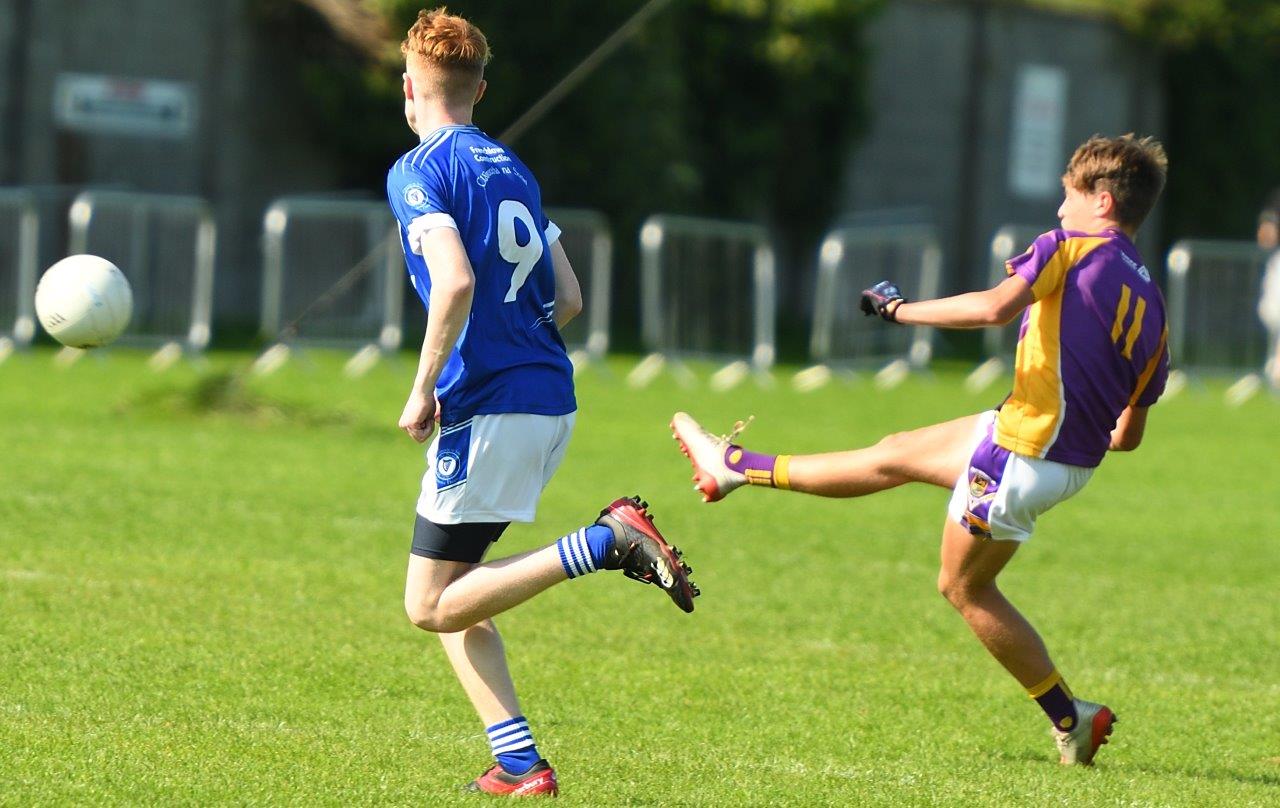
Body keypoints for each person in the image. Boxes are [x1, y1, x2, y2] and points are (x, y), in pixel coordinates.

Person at [672, 134, 1170, 766]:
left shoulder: (1070, 248)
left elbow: (994, 308)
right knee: (895, 452)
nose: (1058, 209)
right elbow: (1127, 436)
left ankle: (1072, 718)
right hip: (1050, 454)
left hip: (1021, 452)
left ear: (1102, 201)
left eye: (1068, 196)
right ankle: (735, 467)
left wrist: (899, 311)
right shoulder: (1154, 305)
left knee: (964, 590)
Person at [386, 8, 698, 797]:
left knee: (427, 606)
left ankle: (600, 543)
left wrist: (424, 386)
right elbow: (569, 296)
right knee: (460, 594)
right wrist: (511, 342)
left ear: (410, 87)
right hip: (547, 399)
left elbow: (453, 282)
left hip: (489, 407)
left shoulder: (418, 169)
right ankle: (520, 761)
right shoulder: (511, 167)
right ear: (480, 88)